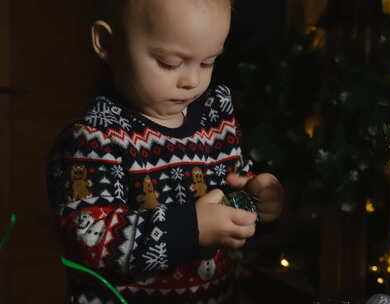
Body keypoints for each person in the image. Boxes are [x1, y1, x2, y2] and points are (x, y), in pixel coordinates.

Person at [46, 0, 285, 303]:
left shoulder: (216, 122)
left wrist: (257, 201)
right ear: (108, 43)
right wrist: (191, 228)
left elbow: (231, 199)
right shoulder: (93, 140)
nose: (192, 81)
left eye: (207, 62)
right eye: (170, 63)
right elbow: (90, 240)